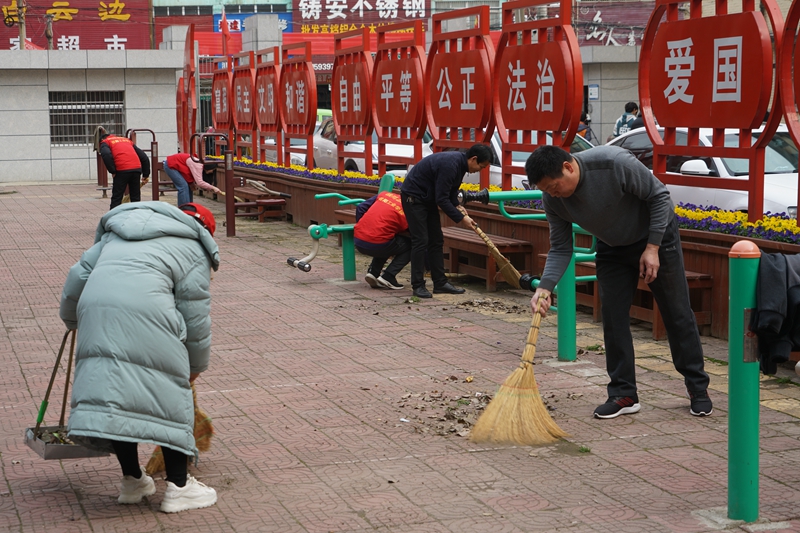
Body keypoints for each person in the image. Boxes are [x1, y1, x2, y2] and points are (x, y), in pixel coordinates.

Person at [524, 145, 712, 419]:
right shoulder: (552, 199)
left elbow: (660, 197)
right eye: (546, 190)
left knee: (677, 312)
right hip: (612, 245)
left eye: (554, 186)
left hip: (656, 237)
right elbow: (561, 247)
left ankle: (698, 388)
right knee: (612, 317)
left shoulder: (613, 164)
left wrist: (653, 248)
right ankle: (623, 393)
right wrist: (545, 286)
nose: (552, 194)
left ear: (568, 166)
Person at [59, 201, 220, 513]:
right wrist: (194, 367)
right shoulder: (192, 246)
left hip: (98, 316)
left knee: (118, 398)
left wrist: (72, 321)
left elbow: (75, 282)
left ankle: (133, 481)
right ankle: (180, 488)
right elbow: (195, 319)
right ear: (205, 231)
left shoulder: (115, 236)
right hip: (150, 316)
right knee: (171, 398)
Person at [401, 144, 492, 299]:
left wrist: (457, 206)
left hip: (427, 199)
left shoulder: (460, 165)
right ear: (474, 159)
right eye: (481, 166)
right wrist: (461, 219)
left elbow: (449, 192)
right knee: (420, 240)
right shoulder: (451, 164)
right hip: (414, 198)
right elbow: (441, 199)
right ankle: (418, 285)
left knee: (436, 240)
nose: (480, 170)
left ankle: (440, 283)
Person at [355, 190, 411, 290]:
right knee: (411, 246)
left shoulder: (385, 195)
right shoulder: (410, 209)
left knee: (388, 240)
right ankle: (389, 276)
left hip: (358, 239)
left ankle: (373, 273)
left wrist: (365, 227)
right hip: (378, 244)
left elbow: (360, 207)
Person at [96, 127, 151, 210]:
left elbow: (106, 155)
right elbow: (144, 157)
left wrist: (113, 171)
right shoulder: (126, 140)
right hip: (136, 170)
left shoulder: (105, 142)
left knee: (117, 197)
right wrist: (146, 174)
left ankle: (113, 218)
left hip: (121, 170)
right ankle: (136, 217)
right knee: (135, 198)